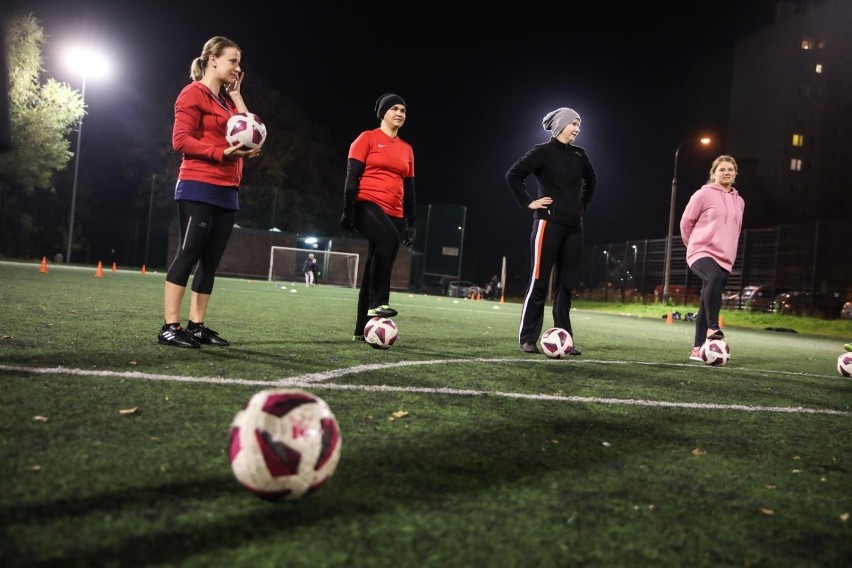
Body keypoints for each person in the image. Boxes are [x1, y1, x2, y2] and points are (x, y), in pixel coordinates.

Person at [157, 36, 261, 348]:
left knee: (211, 260)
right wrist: (221, 154)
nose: (237, 67)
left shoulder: (228, 103)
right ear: (212, 59)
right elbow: (181, 140)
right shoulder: (193, 93)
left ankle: (197, 325)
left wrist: (238, 97)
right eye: (233, 60)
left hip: (228, 189)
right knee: (189, 254)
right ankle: (169, 327)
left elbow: (254, 131)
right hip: (199, 184)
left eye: (239, 62)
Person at [506, 107, 597, 355]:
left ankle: (564, 337)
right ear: (561, 125)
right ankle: (528, 338)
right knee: (539, 282)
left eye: (579, 125)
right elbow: (514, 175)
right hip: (548, 224)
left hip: (574, 228)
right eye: (574, 124)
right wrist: (528, 202)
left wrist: (581, 205)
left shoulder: (580, 155)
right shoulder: (542, 152)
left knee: (566, 286)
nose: (577, 129)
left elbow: (592, 180)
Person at [339, 93, 416, 342]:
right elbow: (351, 178)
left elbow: (411, 188)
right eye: (394, 109)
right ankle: (379, 303)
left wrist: (412, 221)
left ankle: (362, 328)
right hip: (367, 204)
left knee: (375, 263)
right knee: (388, 240)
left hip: (395, 211)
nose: (399, 114)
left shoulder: (406, 149)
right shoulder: (367, 138)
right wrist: (348, 210)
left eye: (403, 110)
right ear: (383, 113)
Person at [680, 155, 745, 362]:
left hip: (725, 257)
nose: (726, 172)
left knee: (705, 302)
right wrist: (693, 244)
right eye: (721, 169)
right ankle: (713, 327)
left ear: (735, 173)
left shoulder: (740, 201)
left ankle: (697, 349)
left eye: (730, 169)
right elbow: (686, 222)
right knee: (714, 278)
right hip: (701, 251)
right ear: (713, 173)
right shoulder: (703, 194)